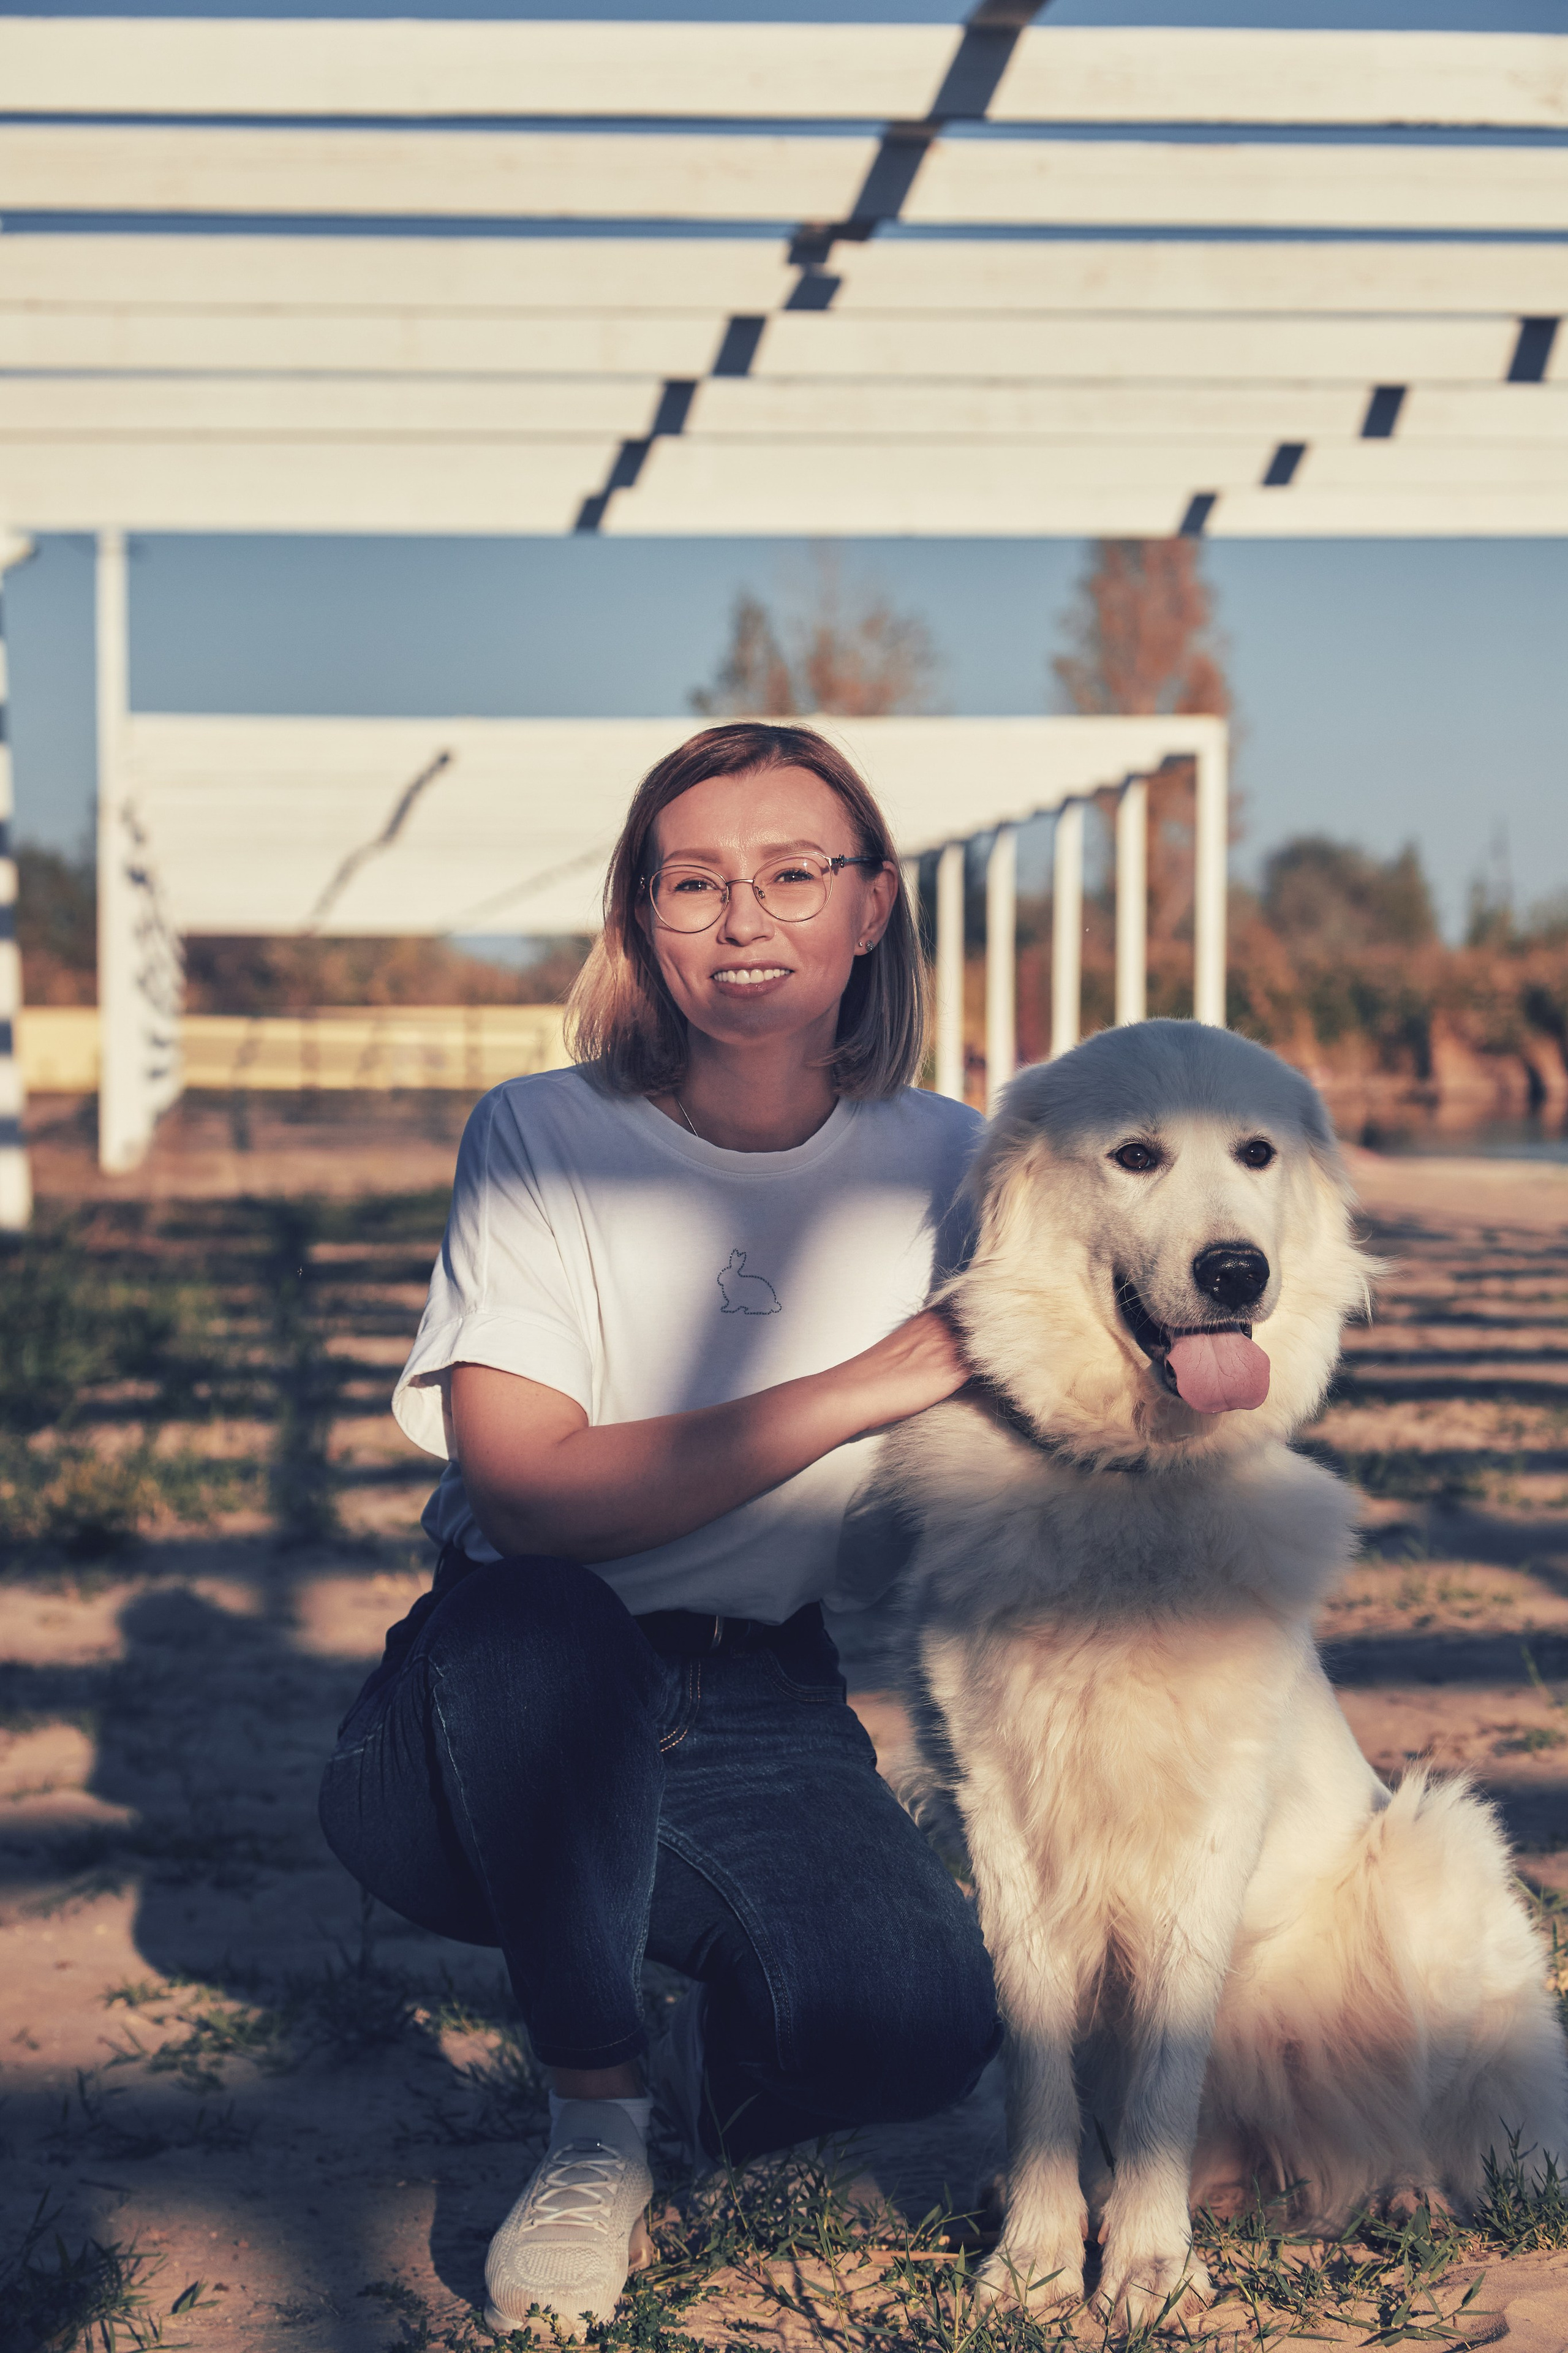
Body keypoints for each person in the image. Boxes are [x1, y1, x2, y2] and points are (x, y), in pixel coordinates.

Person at [318, 721, 1000, 2337]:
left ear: (873, 905)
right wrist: (860, 1385)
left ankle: (727, 2068)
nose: (746, 919)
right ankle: (597, 2115)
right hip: (494, 1708)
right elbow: (529, 1488)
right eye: (695, 882)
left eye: (791, 874)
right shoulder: (543, 1134)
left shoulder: (952, 1162)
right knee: (543, 1614)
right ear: (638, 916)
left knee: (917, 2030)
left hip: (764, 1696)